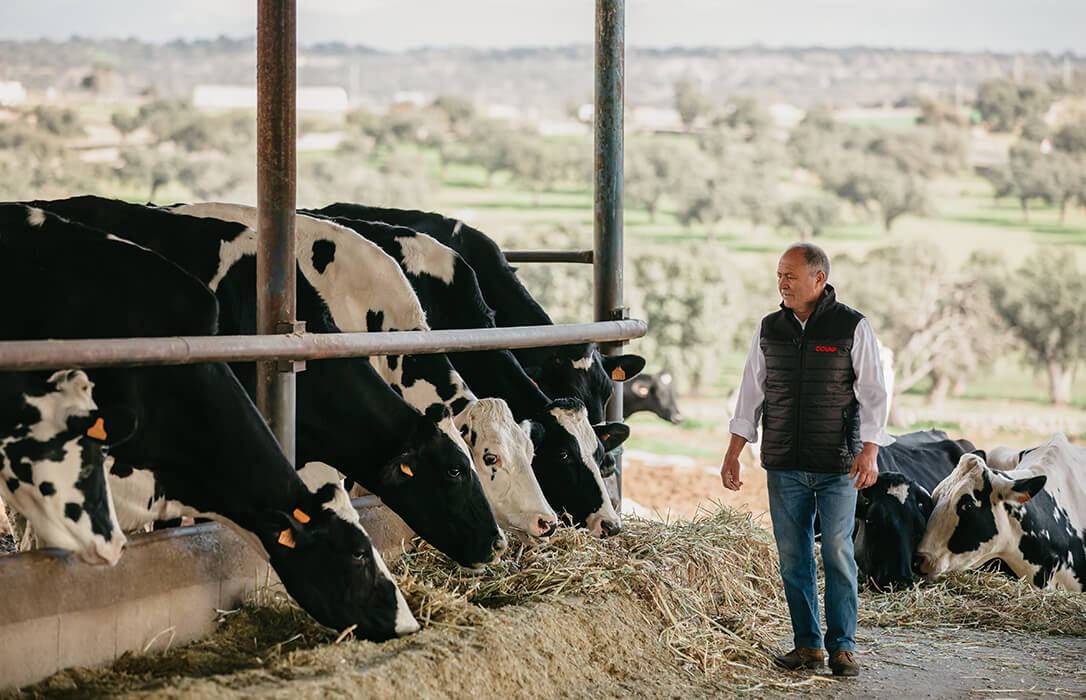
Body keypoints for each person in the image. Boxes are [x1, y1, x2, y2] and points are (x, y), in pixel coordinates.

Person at [720, 243, 892, 678]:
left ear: (819, 279)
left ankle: (843, 647)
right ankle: (807, 646)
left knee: (836, 551)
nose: (783, 283)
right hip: (783, 463)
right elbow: (750, 395)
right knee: (793, 555)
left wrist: (869, 450)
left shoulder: (851, 326)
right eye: (779, 275)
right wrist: (734, 452)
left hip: (838, 464)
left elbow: (873, 393)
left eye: (791, 276)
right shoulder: (769, 329)